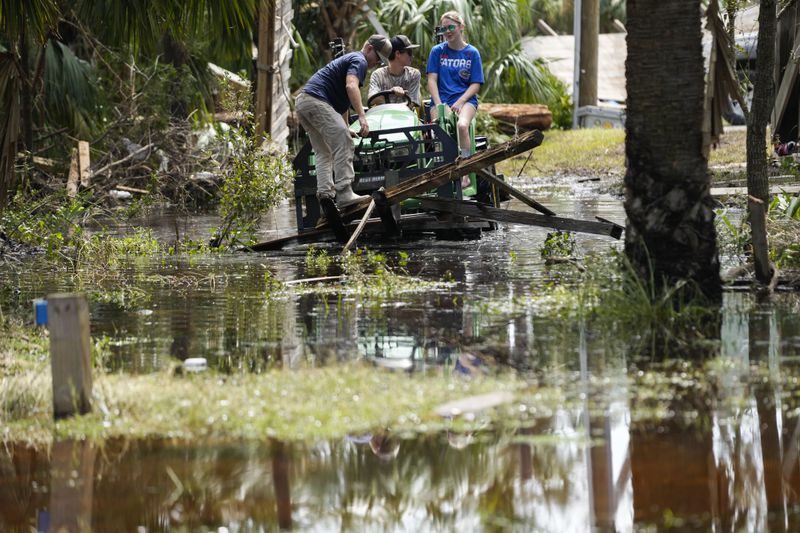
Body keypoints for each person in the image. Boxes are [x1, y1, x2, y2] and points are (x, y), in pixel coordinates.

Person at [295, 35, 393, 207]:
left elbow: (342, 105)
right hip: (316, 101)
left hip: (304, 103)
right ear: (369, 48)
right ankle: (345, 193)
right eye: (378, 58)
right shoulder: (359, 60)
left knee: (324, 151)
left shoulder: (349, 61)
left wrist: (346, 126)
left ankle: (325, 194)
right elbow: (351, 87)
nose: (377, 63)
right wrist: (362, 117)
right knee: (344, 141)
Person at [426, 11, 484, 159]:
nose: (447, 32)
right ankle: (445, 169)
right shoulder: (437, 51)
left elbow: (476, 85)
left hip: (464, 101)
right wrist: (439, 105)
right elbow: (431, 80)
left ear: (461, 27)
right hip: (441, 100)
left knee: (462, 126)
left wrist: (461, 101)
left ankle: (465, 167)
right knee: (440, 133)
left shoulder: (472, 53)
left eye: (451, 27)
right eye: (444, 29)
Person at [367, 35, 422, 109]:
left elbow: (412, 102)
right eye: (409, 52)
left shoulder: (414, 74)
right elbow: (372, 98)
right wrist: (391, 91)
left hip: (406, 117)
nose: (412, 56)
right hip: (383, 117)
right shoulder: (378, 75)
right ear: (398, 54)